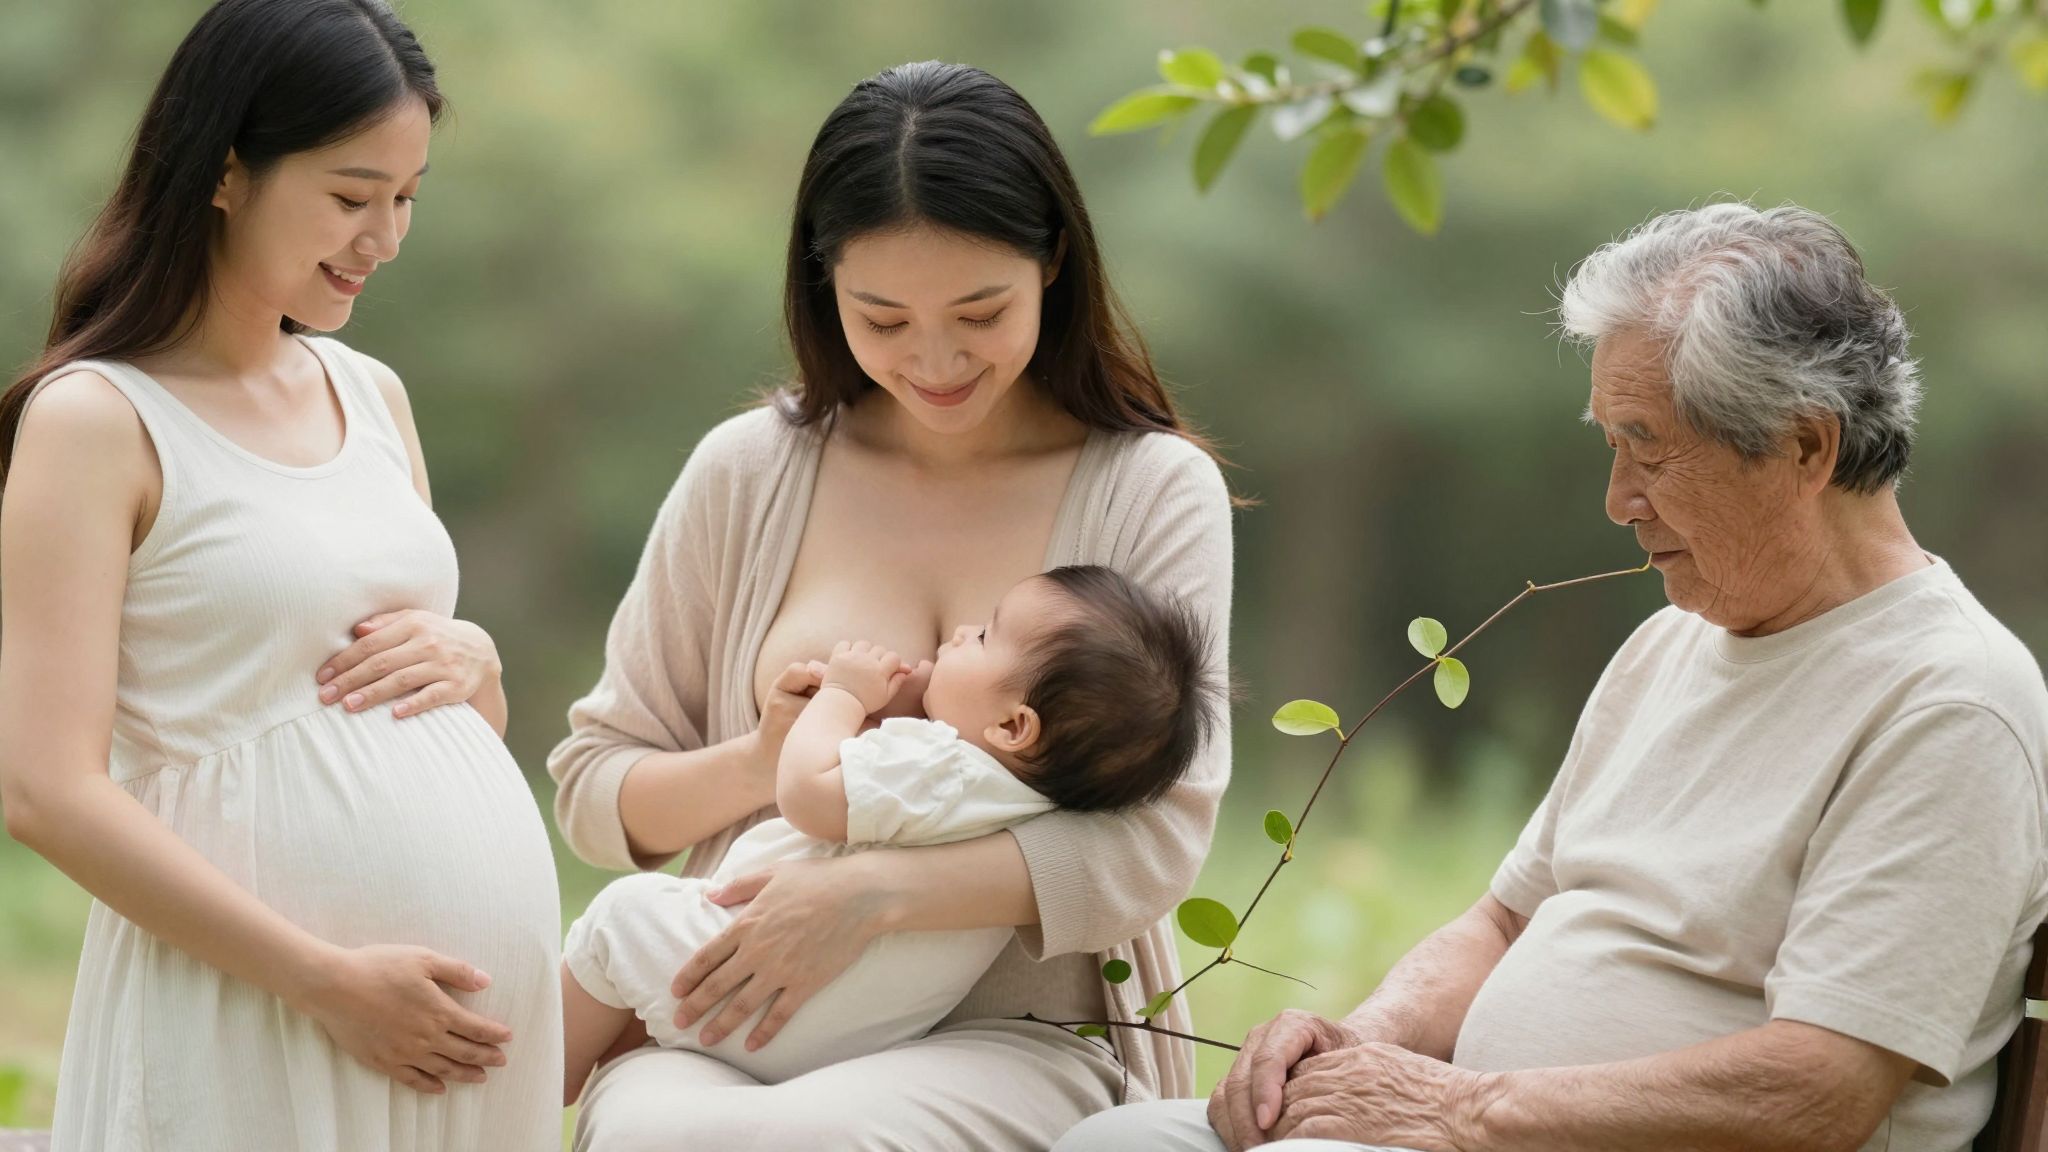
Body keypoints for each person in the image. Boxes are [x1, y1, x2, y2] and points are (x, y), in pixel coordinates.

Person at [1057, 202, 2048, 1152]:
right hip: (1479, 1134)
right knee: (1110, 1141)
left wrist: (1460, 1111)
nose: (1617, 500)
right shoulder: (1667, 646)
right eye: (1609, 447)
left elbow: (1818, 1089)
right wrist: (1366, 1042)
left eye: (1648, 450)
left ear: (1801, 443)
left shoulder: (1947, 703)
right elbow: (1502, 919)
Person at [548, 60, 1236, 1150]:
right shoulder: (748, 473)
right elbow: (595, 792)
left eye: (978, 311)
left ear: (1052, 262)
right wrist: (761, 756)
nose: (934, 359)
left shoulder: (1148, 490)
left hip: (1014, 1037)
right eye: (882, 316)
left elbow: (1157, 843)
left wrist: (871, 896)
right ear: (824, 289)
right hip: (730, 1009)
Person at [0, 2, 562, 1148]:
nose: (385, 237)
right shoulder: (97, 420)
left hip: (455, 1041)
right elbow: (41, 789)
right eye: (352, 196)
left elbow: (428, 713)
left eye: (405, 199)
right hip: (258, 1012)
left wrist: (476, 656)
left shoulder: (371, 395)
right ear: (223, 173)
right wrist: (321, 980)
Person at [561, 566, 1223, 1097]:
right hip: (849, 1039)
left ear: (1014, 727)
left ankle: (547, 1078)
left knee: (619, 919)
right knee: (644, 980)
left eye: (987, 637)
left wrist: (842, 698)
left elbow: (807, 794)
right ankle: (612, 1046)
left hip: (763, 989)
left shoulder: (938, 766)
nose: (964, 631)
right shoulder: (1026, 803)